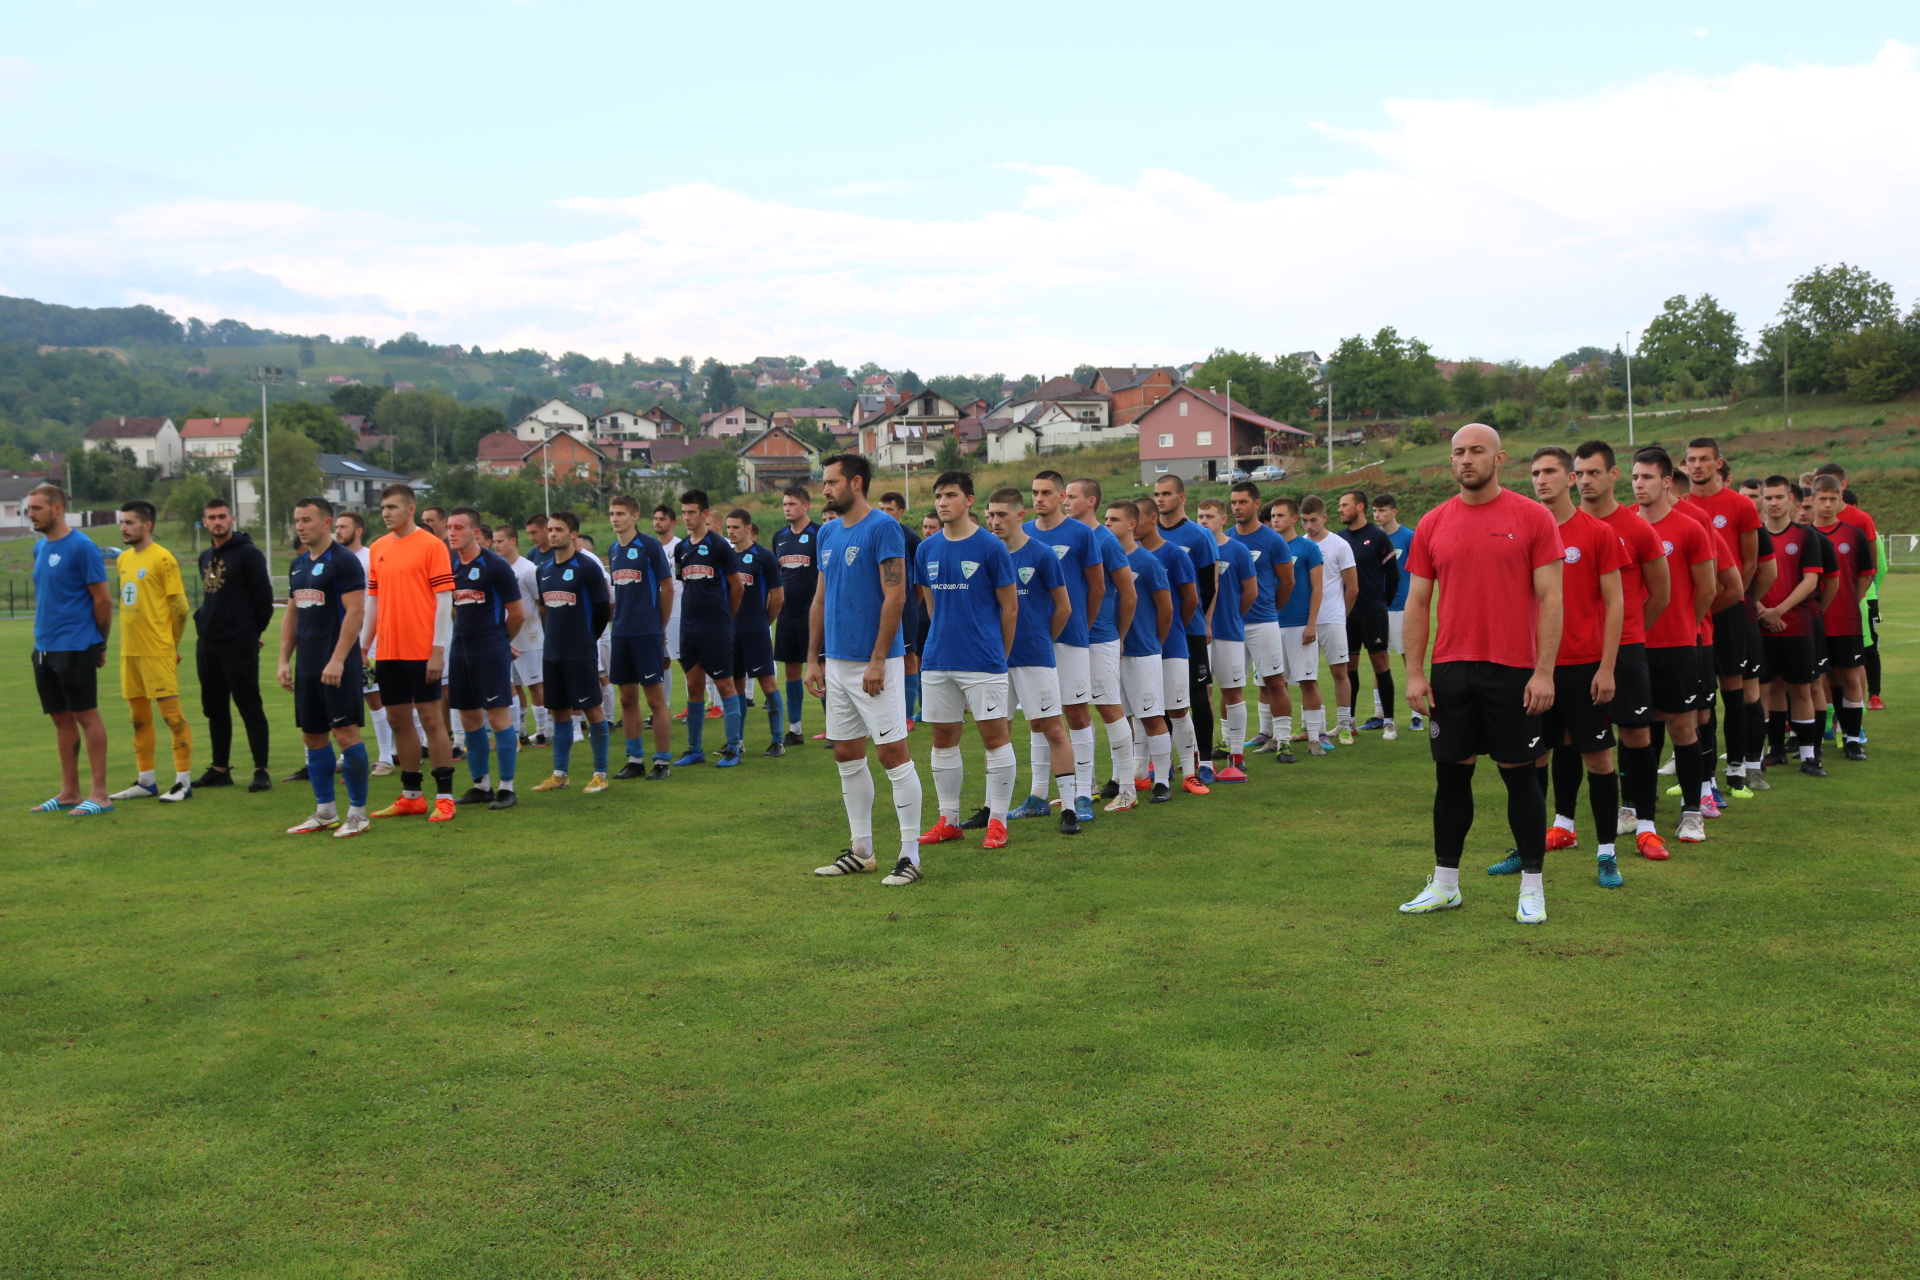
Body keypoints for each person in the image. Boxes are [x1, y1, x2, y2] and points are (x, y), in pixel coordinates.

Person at [1398, 424, 1564, 926]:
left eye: (1476, 451)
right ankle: (1445, 884)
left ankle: (1532, 887)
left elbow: (1552, 597)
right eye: (1458, 452)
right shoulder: (1432, 523)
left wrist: (1543, 672)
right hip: (1451, 670)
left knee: (1521, 778)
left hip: (1513, 669)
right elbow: (1419, 601)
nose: (1466, 460)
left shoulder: (1532, 517)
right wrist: (1413, 673)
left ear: (1499, 458)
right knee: (1451, 776)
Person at [1488, 449, 1626, 889]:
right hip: (1531, 668)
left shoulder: (1597, 533)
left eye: (1549, 472)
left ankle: (1607, 855)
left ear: (1570, 478)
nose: (1540, 480)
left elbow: (1616, 602)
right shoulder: (1521, 529)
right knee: (1531, 757)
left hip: (1583, 667)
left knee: (1599, 759)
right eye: (1534, 473)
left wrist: (1606, 668)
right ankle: (1526, 848)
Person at [808, 454, 926, 885]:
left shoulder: (883, 528)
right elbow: (820, 599)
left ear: (855, 483)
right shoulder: (827, 533)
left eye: (832, 482)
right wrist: (812, 658)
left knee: (892, 754)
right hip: (836, 662)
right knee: (845, 753)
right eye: (824, 482)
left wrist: (878, 659)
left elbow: (895, 597)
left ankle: (910, 856)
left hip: (876, 663)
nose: (825, 490)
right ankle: (862, 850)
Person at [1572, 440, 1673, 855]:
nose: (1584, 481)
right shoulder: (1564, 525)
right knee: (1576, 740)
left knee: (1636, 734)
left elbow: (1660, 594)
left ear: (1614, 475)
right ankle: (1570, 822)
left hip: (1627, 649)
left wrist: (1629, 635)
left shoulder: (1636, 528)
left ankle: (1646, 825)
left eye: (1593, 472)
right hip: (1575, 653)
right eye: (1578, 473)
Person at [912, 471, 1021, 849]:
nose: (943, 502)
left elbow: (1010, 609)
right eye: (939, 495)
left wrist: (999, 656)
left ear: (969, 500)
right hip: (938, 659)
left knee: (995, 738)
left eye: (951, 495)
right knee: (942, 739)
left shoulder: (991, 548)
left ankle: (998, 820)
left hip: (983, 660)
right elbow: (932, 607)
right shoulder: (926, 549)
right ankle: (950, 820)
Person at [1632, 447, 1718, 845]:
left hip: (1679, 644)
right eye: (1634, 478)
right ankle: (1634, 808)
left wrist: (1684, 621)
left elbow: (1708, 589)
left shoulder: (1689, 528)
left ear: (1667, 481)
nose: (1639, 485)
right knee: (1636, 728)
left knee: (1683, 726)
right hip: (1633, 644)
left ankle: (1691, 812)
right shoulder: (1625, 526)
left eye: (1647, 477)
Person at [360, 483, 459, 821]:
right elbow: (373, 601)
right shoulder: (378, 548)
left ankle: (445, 797)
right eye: (383, 508)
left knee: (431, 719)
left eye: (391, 507)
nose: (386, 513)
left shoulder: (432, 546)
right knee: (398, 720)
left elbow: (445, 601)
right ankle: (411, 795)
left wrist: (437, 650)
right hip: (388, 651)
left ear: (410, 509)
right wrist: (363, 643)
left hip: (422, 650)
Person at [276, 497, 373, 836]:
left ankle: (358, 814)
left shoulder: (343, 561)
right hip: (307, 667)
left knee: (345, 734)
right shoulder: (298, 564)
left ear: (326, 522)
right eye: (297, 520)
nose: (300, 526)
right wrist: (283, 660)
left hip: (337, 666)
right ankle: (325, 811)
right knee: (312, 736)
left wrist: (336, 659)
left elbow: (356, 613)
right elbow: (291, 615)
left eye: (306, 520)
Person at [985, 488, 1080, 833]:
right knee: (997, 732)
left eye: (1001, 515)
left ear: (1020, 515)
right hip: (993, 658)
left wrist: (1041, 639)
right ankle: (991, 808)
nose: (995, 522)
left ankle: (1069, 807)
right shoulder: (985, 553)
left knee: (1053, 728)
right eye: (990, 515)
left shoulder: (1041, 554)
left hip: (1034, 656)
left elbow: (1064, 608)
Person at [1021, 470, 1109, 823]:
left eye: (1046, 492)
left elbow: (1097, 588)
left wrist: (1081, 629)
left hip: (1070, 637)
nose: (1038, 498)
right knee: (1037, 719)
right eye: (1034, 492)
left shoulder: (1081, 534)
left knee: (1076, 713)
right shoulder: (1022, 532)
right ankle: (1038, 795)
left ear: (1061, 496)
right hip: (1031, 640)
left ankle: (1084, 793)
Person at [1683, 438, 1762, 801]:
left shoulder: (1740, 505)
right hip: (1693, 614)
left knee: (1734, 693)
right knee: (1700, 699)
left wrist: (1727, 601)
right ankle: (1704, 778)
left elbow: (1748, 562)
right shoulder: (1682, 505)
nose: (1696, 466)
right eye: (1690, 460)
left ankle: (1738, 769)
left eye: (1703, 459)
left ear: (1719, 463)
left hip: (1727, 610)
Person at [26, 484, 114, 815]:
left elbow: (103, 600)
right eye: (29, 509)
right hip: (44, 646)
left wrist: (99, 643)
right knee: (61, 719)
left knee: (85, 715)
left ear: (57, 508)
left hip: (76, 645)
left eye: (36, 508)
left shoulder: (82, 547)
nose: (30, 514)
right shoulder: (38, 548)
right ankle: (69, 793)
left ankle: (100, 794)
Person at [108, 500, 195, 803]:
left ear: (147, 525)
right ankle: (146, 780)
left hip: (157, 651)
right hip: (129, 652)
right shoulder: (123, 560)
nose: (123, 527)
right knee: (138, 719)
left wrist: (171, 645)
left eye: (129, 522)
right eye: (122, 522)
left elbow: (181, 608)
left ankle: (183, 782)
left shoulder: (163, 558)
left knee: (172, 717)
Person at [439, 507, 525, 808]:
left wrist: (501, 642)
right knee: (468, 717)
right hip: (460, 650)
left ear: (476, 533)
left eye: (458, 527)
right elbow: (453, 606)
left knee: (497, 717)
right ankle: (481, 785)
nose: (451, 532)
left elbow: (517, 614)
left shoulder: (495, 566)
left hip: (490, 650)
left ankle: (506, 788)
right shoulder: (449, 564)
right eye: (449, 527)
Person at [194, 496, 275, 792]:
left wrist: (253, 633)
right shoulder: (206, 556)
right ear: (205, 522)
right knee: (214, 707)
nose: (217, 522)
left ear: (232, 519)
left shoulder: (248, 554)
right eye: (212, 517)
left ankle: (261, 770)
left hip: (238, 643)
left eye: (222, 516)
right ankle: (220, 769)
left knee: (249, 705)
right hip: (208, 644)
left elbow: (264, 600)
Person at [1066, 478, 1138, 802]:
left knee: (1109, 708)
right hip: (1071, 639)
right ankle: (1087, 788)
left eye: (1071, 496)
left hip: (1100, 638)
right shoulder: (1067, 535)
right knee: (1075, 711)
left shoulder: (1106, 540)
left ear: (1091, 500)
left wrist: (1118, 637)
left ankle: (1127, 788)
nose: (1065, 501)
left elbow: (1129, 594)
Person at [530, 512, 612, 791]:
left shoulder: (587, 567)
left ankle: (601, 774)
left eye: (559, 530)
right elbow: (546, 608)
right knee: (559, 713)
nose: (552, 534)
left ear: (573, 533)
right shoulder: (543, 570)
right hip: (553, 652)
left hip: (580, 652)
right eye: (550, 529)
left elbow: (602, 608)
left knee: (593, 711)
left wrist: (588, 638)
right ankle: (560, 775)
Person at [1103, 499, 1174, 808]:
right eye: (1105, 519)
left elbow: (1166, 608)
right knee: (1122, 718)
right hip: (1109, 649)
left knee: (1152, 715)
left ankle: (1161, 780)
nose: (1107, 525)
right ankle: (1122, 777)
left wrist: (1153, 644)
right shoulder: (1103, 558)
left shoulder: (1147, 561)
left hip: (1142, 649)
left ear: (1132, 524)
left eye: (1114, 519)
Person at [1757, 478, 1828, 777]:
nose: (1773, 503)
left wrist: (1778, 611)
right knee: (1770, 689)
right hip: (1762, 626)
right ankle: (1773, 751)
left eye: (1779, 497)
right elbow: (1744, 578)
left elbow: (1811, 581)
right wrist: (1763, 612)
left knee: (1801, 690)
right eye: (1768, 497)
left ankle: (1809, 756)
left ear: (1791, 500)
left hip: (1796, 625)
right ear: (1762, 499)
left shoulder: (1805, 536)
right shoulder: (1753, 535)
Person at [672, 490, 747, 766]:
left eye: (692, 512)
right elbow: (685, 583)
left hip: (716, 627)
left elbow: (736, 586)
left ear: (704, 514)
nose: (687, 517)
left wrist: (727, 617)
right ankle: (695, 750)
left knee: (725, 685)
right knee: (693, 686)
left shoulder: (718, 545)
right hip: (689, 627)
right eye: (683, 512)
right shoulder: (681, 548)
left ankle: (732, 749)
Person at [1137, 497, 1206, 794]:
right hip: (1139, 646)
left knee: (1178, 709)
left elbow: (1190, 600)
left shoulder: (1174, 555)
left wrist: (1172, 629)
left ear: (1152, 518)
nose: (1130, 525)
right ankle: (1144, 772)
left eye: (1135, 518)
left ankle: (1190, 773)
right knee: (1144, 711)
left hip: (1173, 644)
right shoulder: (1126, 555)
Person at [605, 495, 676, 779]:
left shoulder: (649, 546)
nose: (614, 518)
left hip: (647, 632)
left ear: (634, 516)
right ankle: (635, 759)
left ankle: (662, 761)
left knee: (655, 700)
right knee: (627, 698)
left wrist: (659, 627)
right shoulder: (612, 549)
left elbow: (667, 589)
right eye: (611, 513)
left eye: (620, 513)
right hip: (621, 632)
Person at [1152, 476, 1219, 779]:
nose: (1160, 499)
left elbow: (1207, 586)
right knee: (1162, 699)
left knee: (1197, 695)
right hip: (1156, 631)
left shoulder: (1199, 535)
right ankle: (1164, 763)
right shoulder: (1147, 535)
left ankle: (1205, 762)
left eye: (1166, 493)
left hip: (1188, 631)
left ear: (1182, 498)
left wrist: (1194, 620)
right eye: (1156, 494)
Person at [1226, 485, 1296, 763]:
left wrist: (1270, 610)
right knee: (1231, 685)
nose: (1236, 507)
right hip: (1230, 625)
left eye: (1242, 501)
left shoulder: (1272, 540)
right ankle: (1229, 744)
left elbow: (1287, 582)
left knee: (1275, 681)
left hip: (1263, 621)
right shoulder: (1225, 538)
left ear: (1256, 504)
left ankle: (1284, 742)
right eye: (1233, 502)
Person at [1810, 475, 1875, 760]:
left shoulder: (1853, 534)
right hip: (1813, 621)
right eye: (1822, 499)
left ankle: (1851, 738)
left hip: (1846, 620)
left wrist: (1851, 600)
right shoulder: (1804, 535)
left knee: (1849, 677)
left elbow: (1866, 573)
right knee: (1825, 679)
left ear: (1840, 500)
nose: (1827, 505)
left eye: (1832, 499)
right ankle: (1814, 736)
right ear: (1812, 500)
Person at [1814, 463, 1884, 708]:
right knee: (1824, 671)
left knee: (1856, 664)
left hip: (1852, 606)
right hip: (1816, 612)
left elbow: (1872, 567)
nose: (1827, 500)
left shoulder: (1859, 521)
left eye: (1832, 494)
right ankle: (1829, 723)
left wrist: (1855, 598)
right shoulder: (1808, 527)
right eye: (1822, 494)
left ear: (1842, 487)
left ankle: (1857, 724)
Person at [1198, 497, 1257, 782]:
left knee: (1232, 691)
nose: (1204, 521)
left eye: (1209, 516)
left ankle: (1236, 754)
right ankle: (1204, 755)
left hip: (1229, 631)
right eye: (1200, 516)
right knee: (1203, 693)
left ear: (1224, 519)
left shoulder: (1238, 549)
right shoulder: (1195, 550)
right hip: (1199, 633)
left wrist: (1233, 614)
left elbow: (1251, 591)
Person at [1336, 489, 1400, 740]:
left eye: (1345, 505)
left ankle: (1390, 722)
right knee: (1349, 667)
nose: (1340, 509)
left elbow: (1393, 577)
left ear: (1359, 507)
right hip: (1346, 613)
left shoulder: (1378, 537)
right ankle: (1348, 723)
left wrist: (1381, 604)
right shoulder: (1339, 539)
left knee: (1380, 665)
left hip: (1373, 611)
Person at [337, 511, 399, 772]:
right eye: (336, 526)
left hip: (367, 638)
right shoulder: (336, 559)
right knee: (344, 696)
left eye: (344, 527)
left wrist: (370, 637)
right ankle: (348, 753)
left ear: (358, 530)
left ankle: (386, 757)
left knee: (375, 697)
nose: (338, 531)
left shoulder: (369, 557)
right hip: (342, 636)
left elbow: (378, 599)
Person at [726, 508, 787, 756]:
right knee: (736, 687)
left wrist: (763, 623)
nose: (731, 532)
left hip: (756, 630)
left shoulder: (764, 557)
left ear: (749, 529)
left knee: (768, 685)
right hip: (731, 632)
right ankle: (737, 741)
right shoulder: (726, 557)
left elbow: (778, 597)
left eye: (736, 527)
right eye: (728, 527)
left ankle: (777, 741)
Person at [1269, 498, 1327, 756]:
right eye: (1272, 516)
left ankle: (1314, 738)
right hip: (1271, 624)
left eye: (1280, 515)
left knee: (1307, 681)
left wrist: (1311, 624)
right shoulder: (1269, 547)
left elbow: (1318, 589)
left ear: (1294, 519)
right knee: (1274, 683)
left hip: (1300, 624)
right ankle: (1278, 738)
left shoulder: (1308, 548)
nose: (1275, 520)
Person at [1300, 496, 1356, 749]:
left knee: (1339, 671)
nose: (1309, 525)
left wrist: (1340, 618)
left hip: (1332, 619)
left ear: (1324, 518)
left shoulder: (1340, 545)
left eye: (1313, 520)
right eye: (1304, 520)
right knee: (1306, 675)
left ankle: (1345, 726)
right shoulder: (1298, 545)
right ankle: (1313, 727)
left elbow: (1353, 587)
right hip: (1303, 620)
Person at [490, 523, 548, 748]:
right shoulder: (498, 569)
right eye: (494, 541)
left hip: (530, 637)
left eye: (501, 541)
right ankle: (519, 730)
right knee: (512, 685)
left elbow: (540, 604)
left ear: (513, 541)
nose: (497, 545)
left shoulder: (528, 569)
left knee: (535, 684)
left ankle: (543, 731)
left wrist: (538, 629)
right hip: (507, 637)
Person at [771, 486, 820, 746]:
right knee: (791, 671)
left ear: (806, 505)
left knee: (821, 671)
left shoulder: (820, 533)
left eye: (791, 503)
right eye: (784, 504)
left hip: (814, 614)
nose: (787, 508)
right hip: (788, 615)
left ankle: (834, 729)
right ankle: (795, 730)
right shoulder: (779, 537)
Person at [1370, 494, 1419, 731]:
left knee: (1409, 659)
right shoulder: (1374, 539)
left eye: (1382, 510)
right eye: (1375, 511)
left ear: (1394, 512)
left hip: (1404, 607)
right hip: (1378, 608)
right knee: (1379, 660)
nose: (1377, 515)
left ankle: (1416, 714)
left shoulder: (1409, 537)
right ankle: (1379, 713)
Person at [877, 491, 925, 724]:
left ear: (901, 512)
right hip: (881, 607)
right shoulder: (876, 533)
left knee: (908, 658)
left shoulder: (909, 537)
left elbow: (919, 581)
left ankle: (906, 716)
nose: (885, 513)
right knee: (882, 658)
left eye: (890, 509)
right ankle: (886, 712)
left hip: (905, 608)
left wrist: (910, 607)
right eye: (882, 509)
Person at [652, 503, 684, 724]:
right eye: (655, 518)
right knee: (662, 661)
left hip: (679, 610)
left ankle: (699, 704)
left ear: (672, 522)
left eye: (662, 519)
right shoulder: (650, 547)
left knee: (685, 660)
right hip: (659, 611)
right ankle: (663, 707)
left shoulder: (680, 547)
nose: (657, 522)